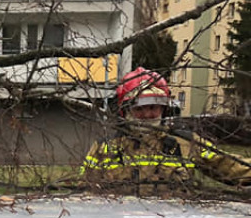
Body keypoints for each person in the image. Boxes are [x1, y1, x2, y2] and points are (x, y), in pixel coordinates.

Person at [82, 67, 251, 192]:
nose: (147, 114)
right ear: (125, 111)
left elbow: (228, 166)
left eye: (153, 107)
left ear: (164, 109)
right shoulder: (104, 148)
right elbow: (85, 189)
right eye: (139, 109)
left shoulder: (185, 142)